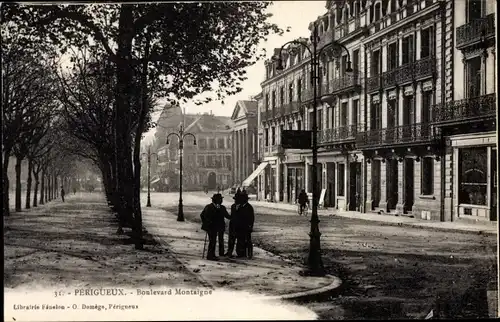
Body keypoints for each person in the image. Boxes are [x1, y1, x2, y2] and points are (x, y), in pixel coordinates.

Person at [200, 193, 230, 261]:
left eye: (221, 200)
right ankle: (210, 255)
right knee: (212, 241)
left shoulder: (222, 207)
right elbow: (202, 215)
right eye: (220, 200)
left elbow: (227, 216)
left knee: (221, 240)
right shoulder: (208, 207)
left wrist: (234, 217)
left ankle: (221, 253)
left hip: (220, 226)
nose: (221, 201)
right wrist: (207, 223)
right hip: (211, 227)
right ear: (215, 200)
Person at [235, 190, 254, 258]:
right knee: (241, 240)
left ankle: (249, 254)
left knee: (248, 240)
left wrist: (250, 226)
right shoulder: (240, 206)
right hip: (240, 227)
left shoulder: (249, 207)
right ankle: (241, 253)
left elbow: (252, 218)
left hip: (247, 227)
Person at [225, 189, 242, 258]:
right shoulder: (233, 206)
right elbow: (232, 216)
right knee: (231, 240)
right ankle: (229, 252)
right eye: (235, 199)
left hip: (239, 226)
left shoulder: (243, 207)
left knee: (239, 240)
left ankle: (239, 253)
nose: (235, 201)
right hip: (232, 225)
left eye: (237, 199)